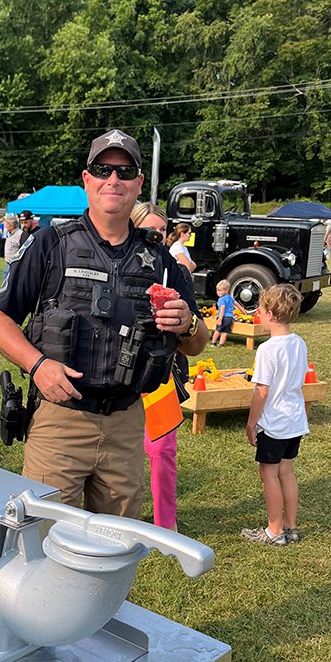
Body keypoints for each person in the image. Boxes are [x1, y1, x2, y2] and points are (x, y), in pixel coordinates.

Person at [0, 128, 208, 518]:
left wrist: (188, 324)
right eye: (103, 170)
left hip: (126, 424)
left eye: (125, 172)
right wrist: (36, 365)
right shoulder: (51, 244)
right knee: (46, 542)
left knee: (116, 546)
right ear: (87, 180)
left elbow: (196, 343)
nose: (114, 180)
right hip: (60, 420)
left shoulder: (160, 261)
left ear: (139, 183)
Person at [241, 284, 308, 546]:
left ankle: (274, 531)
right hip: (295, 421)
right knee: (287, 473)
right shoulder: (299, 343)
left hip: (274, 424)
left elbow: (262, 391)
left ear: (270, 314)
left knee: (269, 475)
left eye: (260, 308)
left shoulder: (268, 349)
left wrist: (250, 423)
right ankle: (291, 527)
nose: (257, 312)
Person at [130, 202, 182, 529]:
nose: (156, 235)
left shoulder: (173, 269)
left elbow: (193, 327)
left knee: (162, 452)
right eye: (149, 228)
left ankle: (167, 524)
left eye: (161, 230)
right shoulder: (116, 266)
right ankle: (124, 519)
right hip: (117, 376)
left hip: (159, 374)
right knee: (121, 455)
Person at [211, 279, 236, 346]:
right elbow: (237, 304)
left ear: (226, 291)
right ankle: (221, 344)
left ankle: (213, 342)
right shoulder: (230, 298)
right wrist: (244, 311)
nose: (218, 292)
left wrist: (220, 319)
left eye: (220, 291)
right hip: (230, 318)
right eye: (217, 290)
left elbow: (222, 309)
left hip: (223, 317)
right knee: (225, 332)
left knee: (218, 330)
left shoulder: (221, 299)